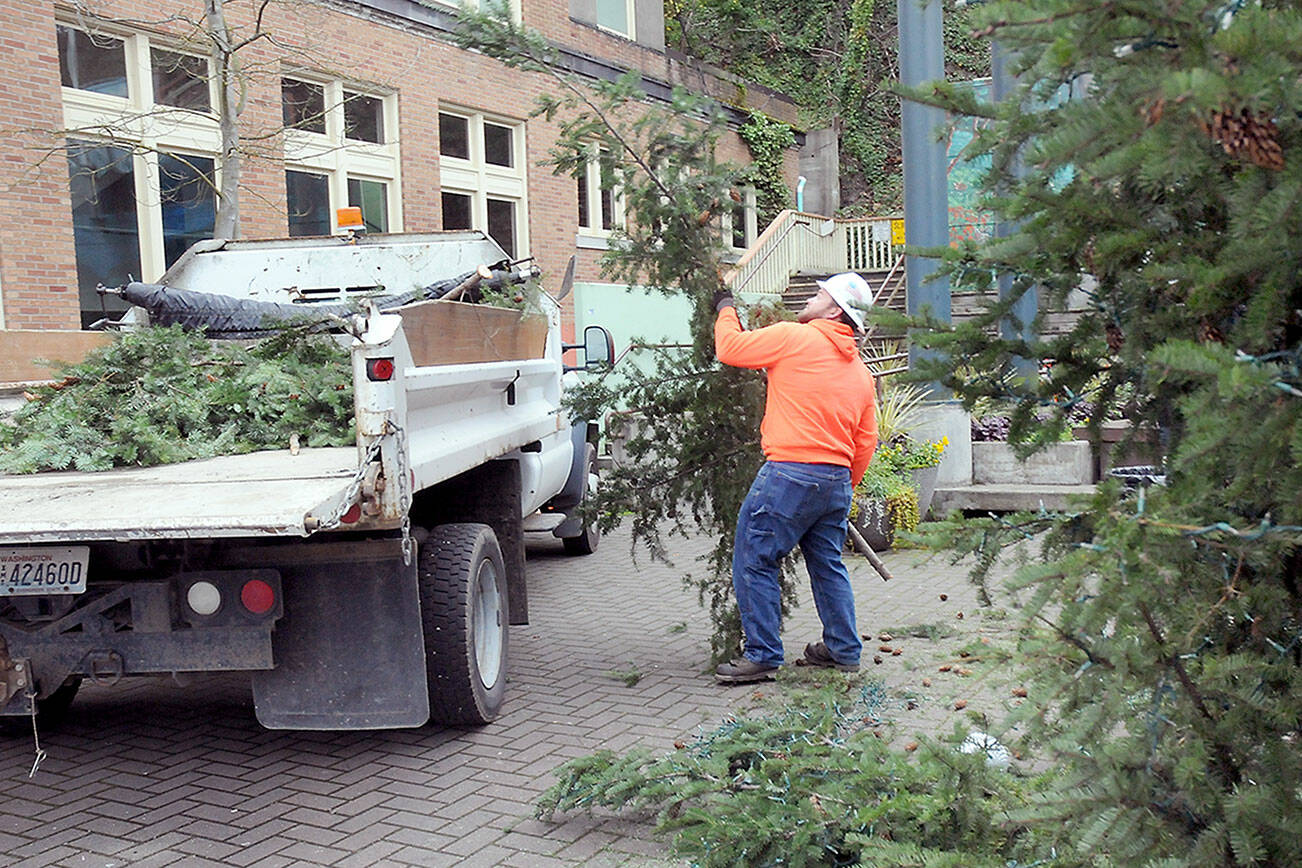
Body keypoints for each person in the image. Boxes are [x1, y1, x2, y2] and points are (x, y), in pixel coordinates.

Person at [711, 272, 878, 683]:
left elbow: (730, 348)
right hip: (835, 480)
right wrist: (841, 484)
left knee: (756, 558)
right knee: (827, 565)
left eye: (821, 294)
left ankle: (763, 654)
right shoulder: (860, 372)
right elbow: (866, 441)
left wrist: (724, 307)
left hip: (789, 474)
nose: (812, 296)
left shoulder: (793, 337)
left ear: (835, 310)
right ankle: (843, 650)